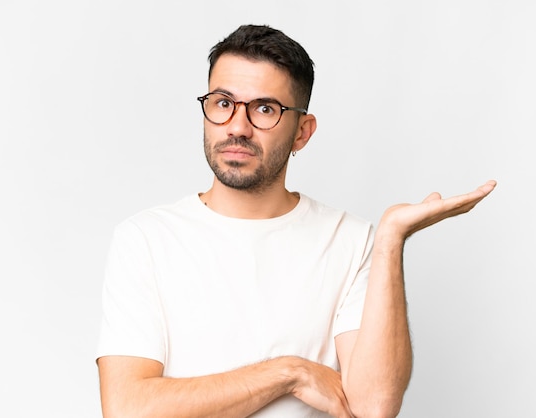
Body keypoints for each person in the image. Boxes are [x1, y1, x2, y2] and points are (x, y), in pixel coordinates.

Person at [96, 24, 496, 418]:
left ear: (302, 132)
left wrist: (391, 238)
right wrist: (290, 373)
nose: (238, 127)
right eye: (222, 103)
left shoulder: (352, 241)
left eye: (265, 109)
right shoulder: (146, 240)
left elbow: (374, 407)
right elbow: (128, 408)